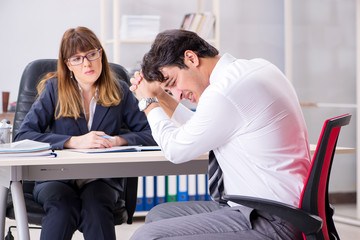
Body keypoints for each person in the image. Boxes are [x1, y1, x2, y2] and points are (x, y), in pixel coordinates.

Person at [129, 29, 311, 240]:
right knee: (159, 215)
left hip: (272, 219)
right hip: (273, 209)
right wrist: (160, 96)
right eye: (170, 90)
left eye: (173, 83)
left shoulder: (224, 92)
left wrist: (148, 103)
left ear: (191, 58)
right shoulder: (252, 69)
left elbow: (175, 150)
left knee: (147, 236)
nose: (178, 95)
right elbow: (201, 128)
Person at [14, 26, 156, 240]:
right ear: (67, 64)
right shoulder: (54, 89)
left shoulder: (120, 90)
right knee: (62, 209)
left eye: (91, 54)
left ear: (101, 54)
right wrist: (73, 142)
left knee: (97, 209)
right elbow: (23, 136)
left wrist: (118, 140)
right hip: (56, 178)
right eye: (77, 58)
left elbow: (152, 133)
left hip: (101, 178)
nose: (86, 63)